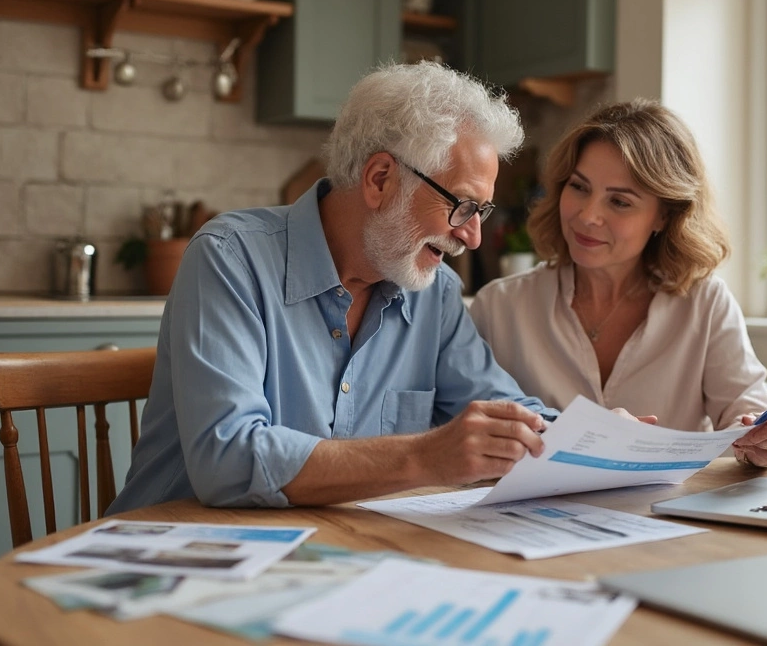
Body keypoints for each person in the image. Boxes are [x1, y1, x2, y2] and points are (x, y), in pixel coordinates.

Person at [107, 62, 560, 514]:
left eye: (482, 211)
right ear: (380, 179)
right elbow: (229, 460)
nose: (472, 235)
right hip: (178, 554)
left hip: (333, 556)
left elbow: (507, 413)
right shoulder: (230, 258)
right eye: (463, 205)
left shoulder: (434, 292)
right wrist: (426, 457)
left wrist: (601, 437)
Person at [470, 100, 767, 468]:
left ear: (664, 216)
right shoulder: (499, 306)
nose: (588, 216)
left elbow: (759, 425)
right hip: (530, 519)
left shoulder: (704, 303)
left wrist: (764, 442)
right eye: (579, 187)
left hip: (668, 519)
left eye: (620, 202)